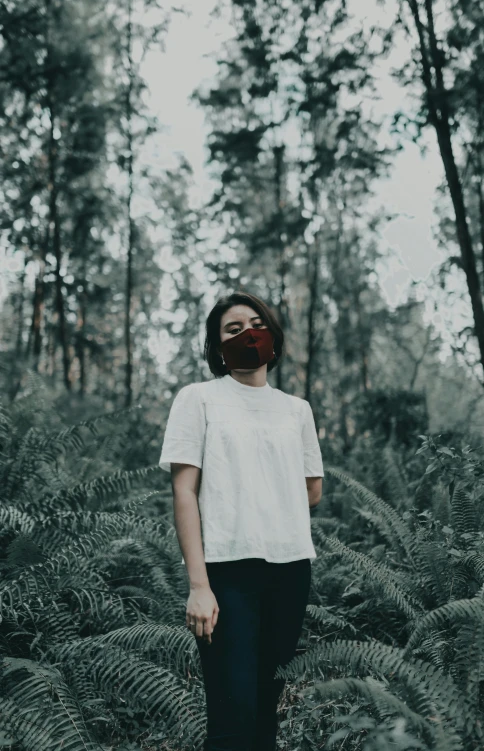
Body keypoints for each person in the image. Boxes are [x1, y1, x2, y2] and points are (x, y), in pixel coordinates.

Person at [158, 290, 324, 751]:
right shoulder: (199, 399)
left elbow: (314, 489)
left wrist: (261, 496)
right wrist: (199, 585)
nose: (248, 334)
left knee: (265, 711)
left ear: (272, 334)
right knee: (231, 719)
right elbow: (183, 491)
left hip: (291, 570)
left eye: (257, 323)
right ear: (217, 346)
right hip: (227, 574)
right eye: (233, 329)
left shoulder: (297, 410)